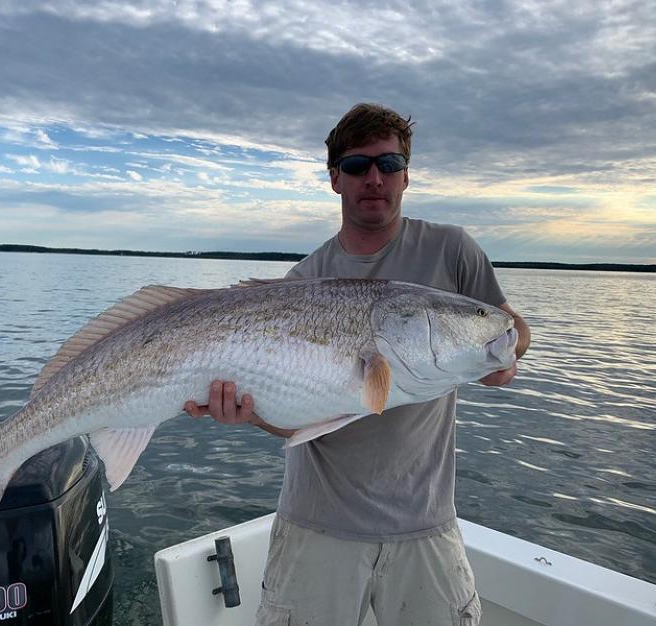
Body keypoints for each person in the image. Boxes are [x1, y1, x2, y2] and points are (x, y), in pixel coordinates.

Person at [184, 103, 531, 626]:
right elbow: (291, 420)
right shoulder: (306, 279)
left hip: (425, 522)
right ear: (334, 180)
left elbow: (508, 325)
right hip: (316, 524)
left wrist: (509, 353)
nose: (375, 179)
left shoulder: (452, 250)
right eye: (357, 167)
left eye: (389, 165)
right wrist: (249, 413)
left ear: (407, 176)